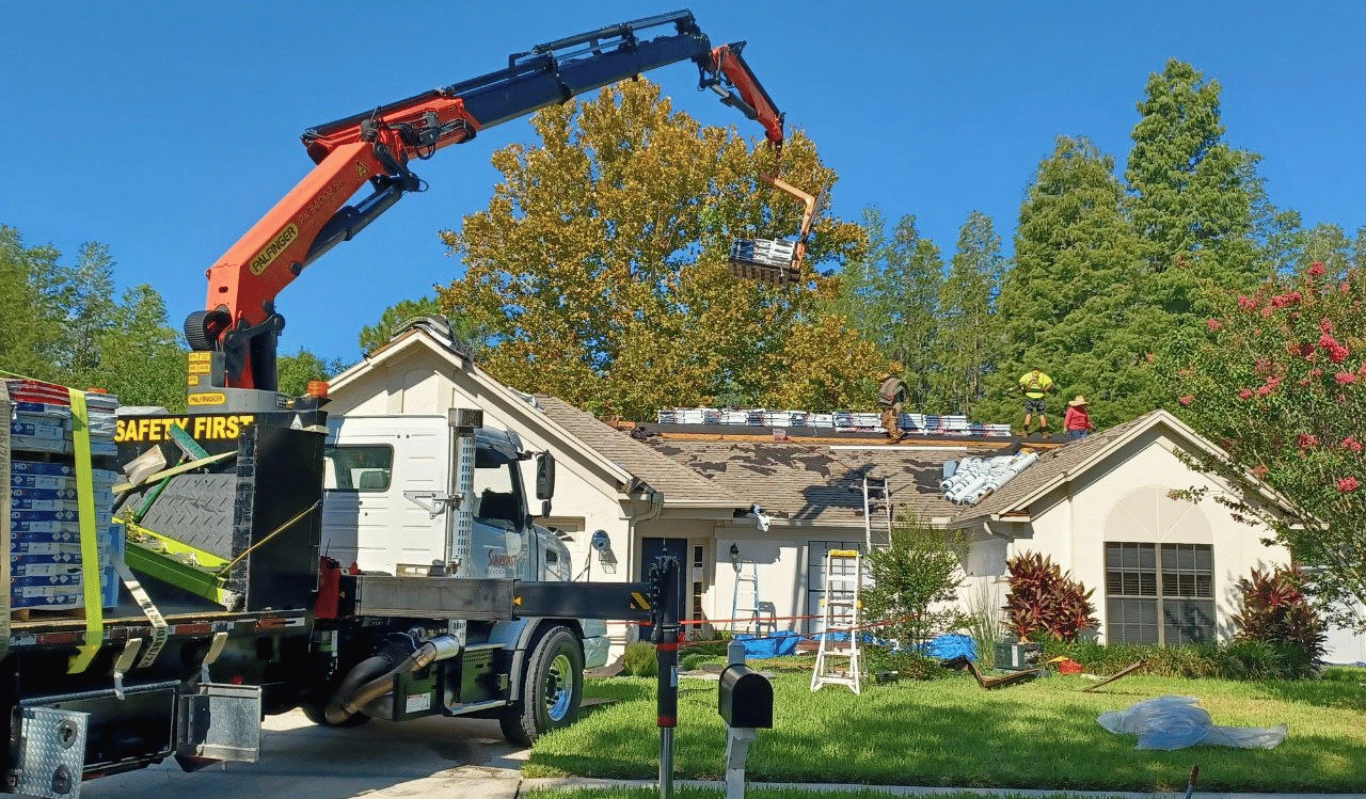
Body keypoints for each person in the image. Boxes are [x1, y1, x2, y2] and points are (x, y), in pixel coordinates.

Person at [1017, 367, 1055, 437]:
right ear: (1039, 371)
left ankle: (1025, 432)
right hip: (1040, 397)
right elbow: (1051, 383)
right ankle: (1045, 433)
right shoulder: (1043, 375)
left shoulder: (1027, 375)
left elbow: (1021, 383)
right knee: (1041, 414)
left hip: (1029, 397)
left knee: (1028, 414)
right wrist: (1045, 390)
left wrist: (1023, 388)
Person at [876, 370, 908, 441]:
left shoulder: (896, 383)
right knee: (885, 421)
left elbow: (901, 388)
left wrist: (894, 393)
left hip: (896, 404)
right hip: (888, 405)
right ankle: (900, 431)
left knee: (893, 419)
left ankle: (894, 435)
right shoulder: (884, 387)